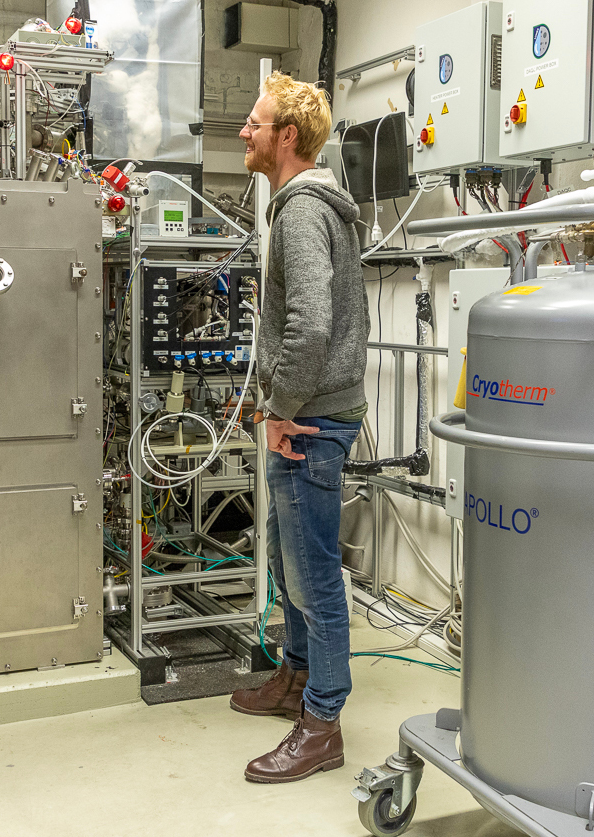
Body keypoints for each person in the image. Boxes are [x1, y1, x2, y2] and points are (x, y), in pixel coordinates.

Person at [230, 71, 369, 784]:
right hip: (303, 411)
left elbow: (311, 326)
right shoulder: (300, 207)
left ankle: (322, 723)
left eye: (255, 124)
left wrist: (279, 410)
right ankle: (296, 675)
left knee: (313, 577)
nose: (244, 133)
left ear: (286, 137)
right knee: (289, 565)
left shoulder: (302, 212)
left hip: (310, 419)